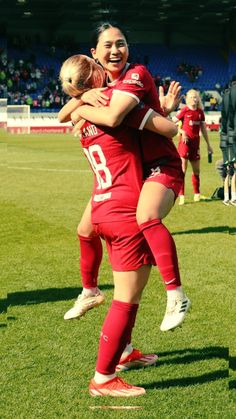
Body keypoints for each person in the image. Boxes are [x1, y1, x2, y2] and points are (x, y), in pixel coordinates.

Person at [59, 54, 181, 397]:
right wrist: (162, 110)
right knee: (126, 298)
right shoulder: (115, 106)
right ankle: (103, 378)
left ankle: (125, 353)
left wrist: (80, 101)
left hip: (101, 208)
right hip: (126, 212)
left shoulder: (80, 118)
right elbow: (168, 130)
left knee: (130, 292)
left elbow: (66, 113)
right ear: (97, 74)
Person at [59, 22, 191, 333]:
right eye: (108, 45)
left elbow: (113, 116)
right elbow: (62, 114)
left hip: (160, 165)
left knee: (146, 217)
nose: (116, 50)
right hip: (131, 174)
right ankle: (90, 292)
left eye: (121, 43)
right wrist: (86, 96)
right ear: (94, 54)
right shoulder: (102, 84)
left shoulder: (136, 74)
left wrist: (82, 107)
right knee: (85, 229)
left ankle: (176, 294)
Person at [173, 89, 214, 205]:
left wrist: (208, 145)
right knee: (183, 170)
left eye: (195, 97)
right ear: (187, 99)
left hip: (196, 145)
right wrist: (182, 132)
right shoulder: (184, 111)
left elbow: (203, 130)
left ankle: (197, 194)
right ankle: (181, 196)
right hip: (185, 145)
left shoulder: (200, 112)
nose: (194, 99)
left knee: (197, 171)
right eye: (191, 97)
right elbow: (172, 123)